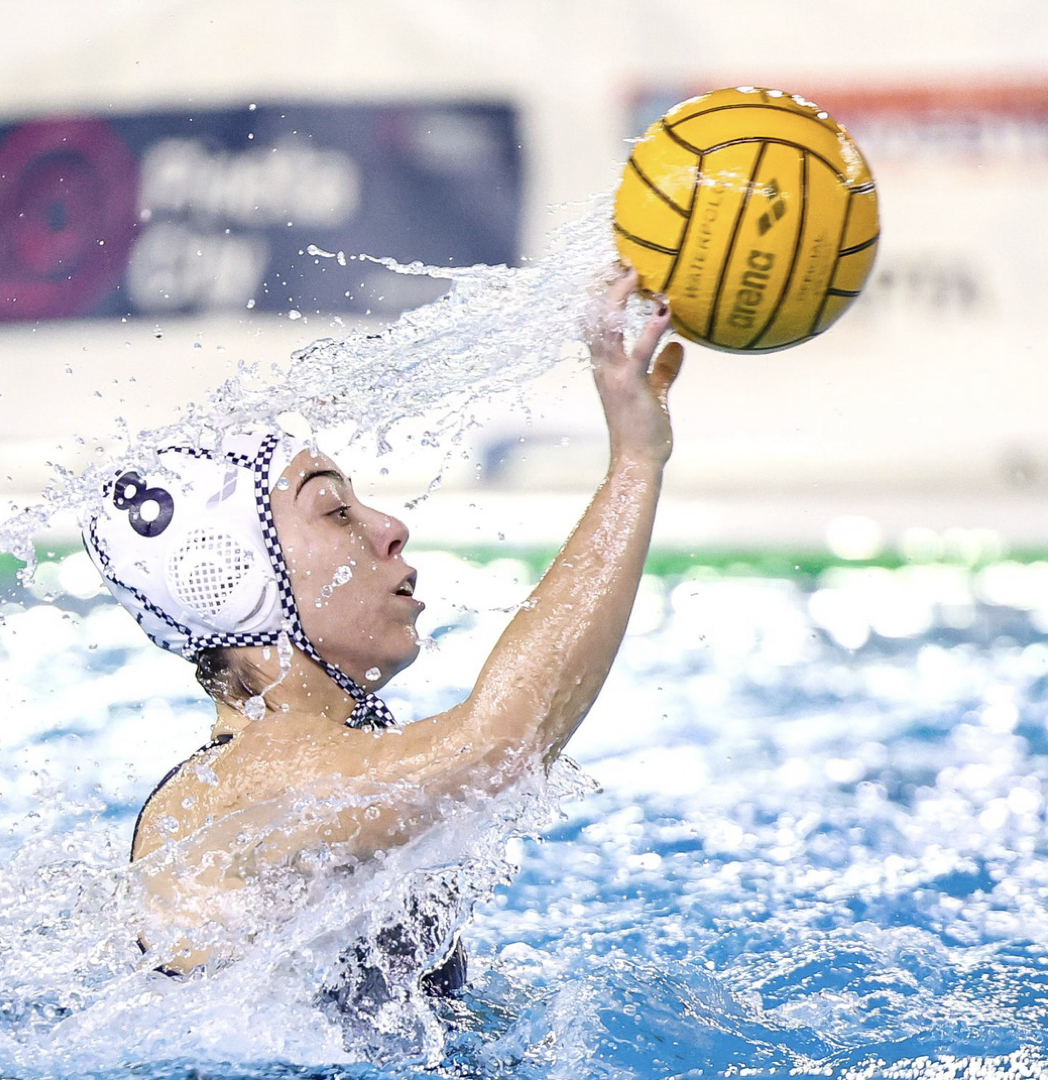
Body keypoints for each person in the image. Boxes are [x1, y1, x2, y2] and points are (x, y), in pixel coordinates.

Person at [83, 266, 683, 1005]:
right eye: (336, 512)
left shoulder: (315, 761)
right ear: (232, 582)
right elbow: (499, 747)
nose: (391, 527)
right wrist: (634, 464)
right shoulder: (248, 777)